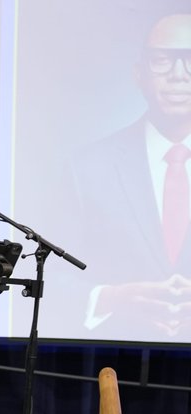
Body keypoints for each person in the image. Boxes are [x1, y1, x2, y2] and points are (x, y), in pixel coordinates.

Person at [68, 13, 191, 339]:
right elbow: (49, 273)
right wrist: (109, 298)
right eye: (163, 61)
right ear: (140, 74)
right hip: (110, 353)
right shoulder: (87, 165)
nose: (179, 75)